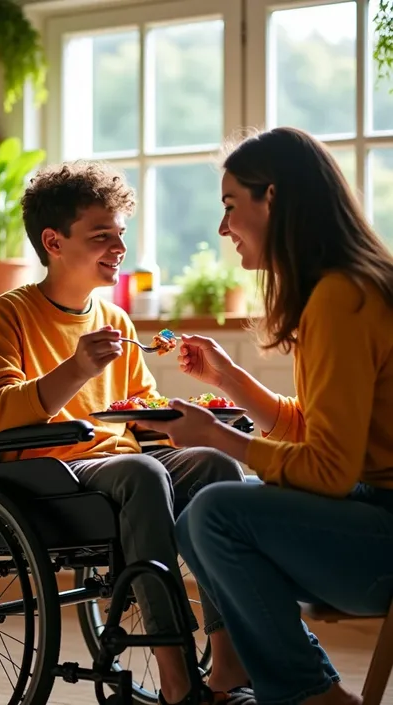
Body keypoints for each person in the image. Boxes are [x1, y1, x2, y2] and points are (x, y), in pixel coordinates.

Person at [0, 160, 251, 705]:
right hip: (49, 475)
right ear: (53, 242)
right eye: (102, 236)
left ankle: (227, 671)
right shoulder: (11, 313)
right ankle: (176, 679)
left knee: (218, 466)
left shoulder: (118, 321)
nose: (118, 247)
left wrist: (197, 418)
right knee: (142, 471)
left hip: (121, 463)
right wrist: (76, 369)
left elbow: (137, 409)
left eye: (120, 234)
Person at [140, 126, 393, 705]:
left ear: (272, 198)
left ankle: (311, 694)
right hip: (373, 510)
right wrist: (229, 380)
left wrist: (217, 436)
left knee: (214, 512)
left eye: (231, 206)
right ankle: (234, 673)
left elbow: (329, 470)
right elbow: (327, 433)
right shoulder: (349, 286)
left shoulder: (340, 298)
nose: (223, 228)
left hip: (385, 537)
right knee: (197, 520)